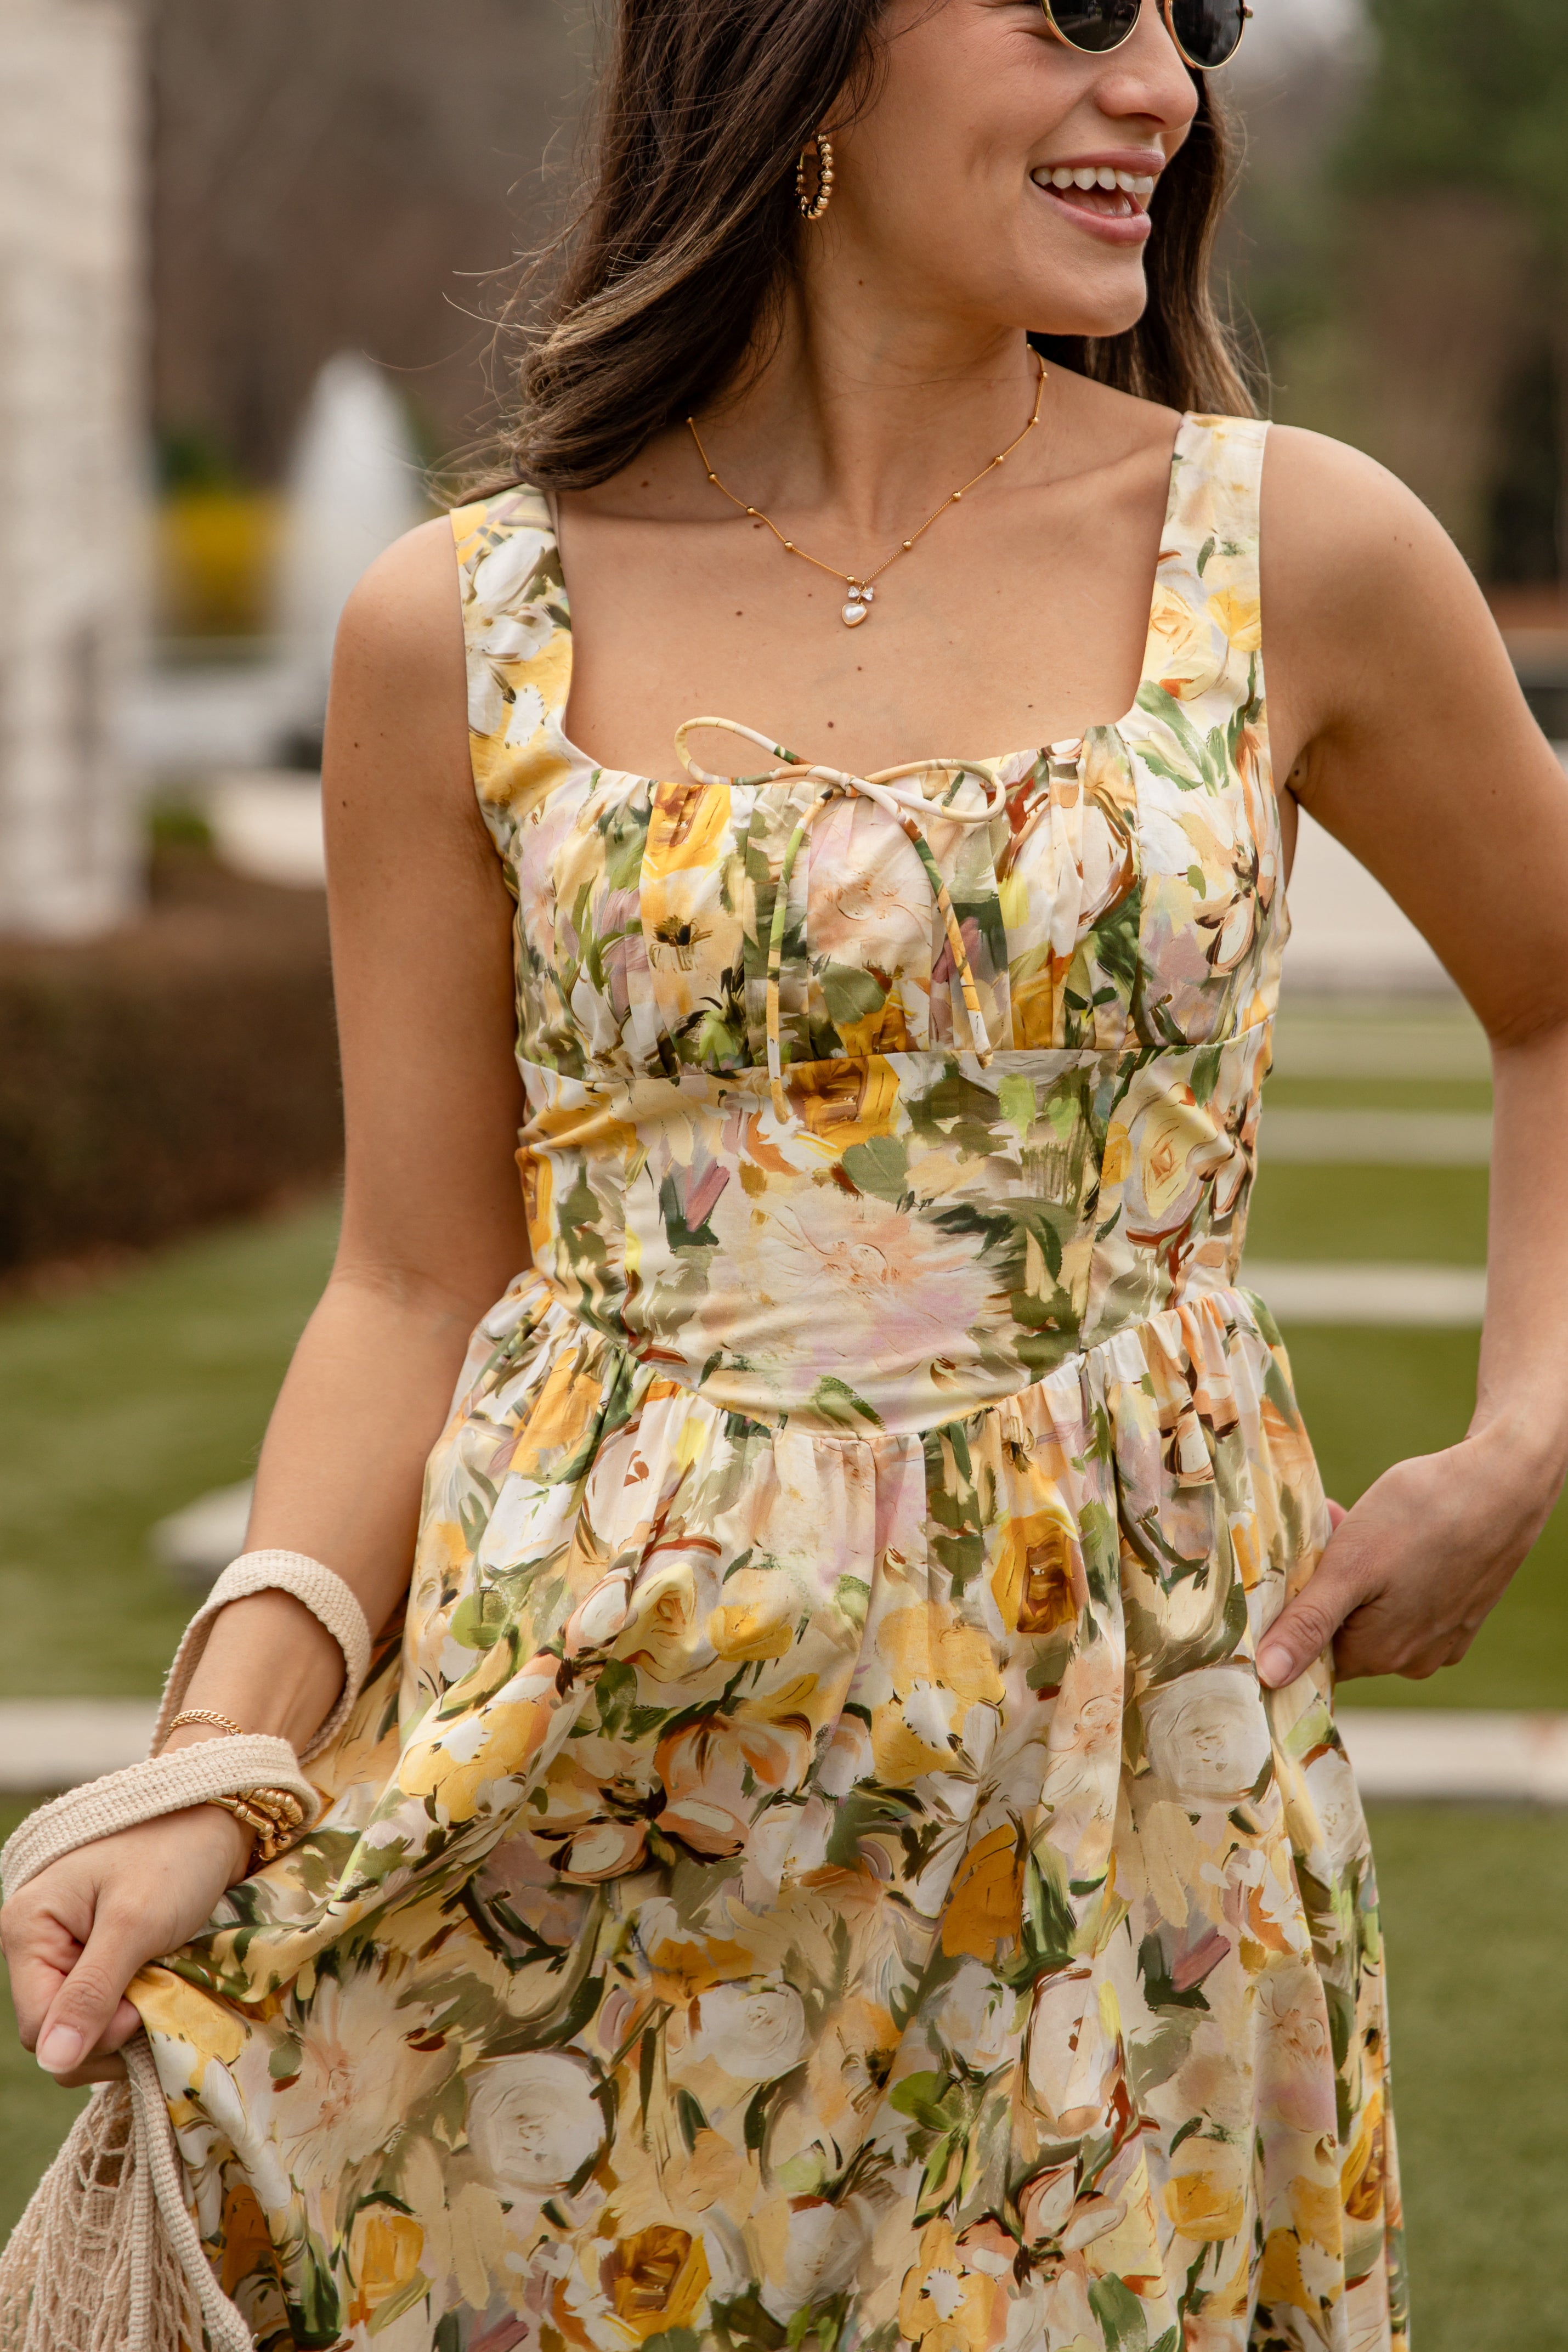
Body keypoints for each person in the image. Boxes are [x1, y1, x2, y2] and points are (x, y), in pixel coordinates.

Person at [5, 1, 1567, 2345]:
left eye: (1200, 14)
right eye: (1073, 5)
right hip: (589, 1781)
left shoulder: (1288, 547)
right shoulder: (461, 621)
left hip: (1113, 1801)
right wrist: (224, 1750)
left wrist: (1522, 1437)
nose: (1159, 83)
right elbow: (415, 1278)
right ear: (797, 51)